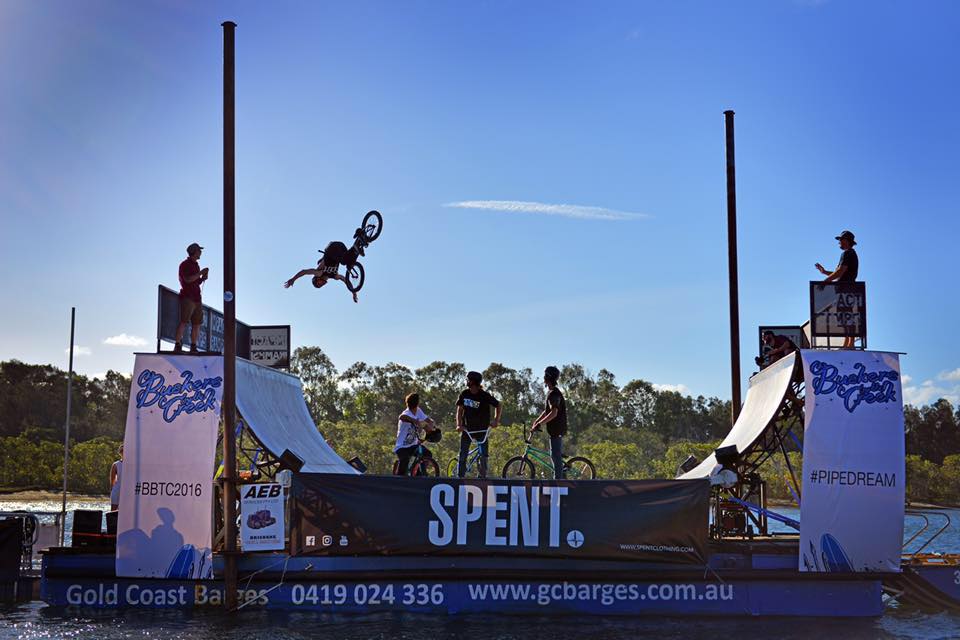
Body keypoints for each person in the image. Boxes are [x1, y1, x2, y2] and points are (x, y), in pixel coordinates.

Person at [815, 229, 860, 348]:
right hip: (845, 289)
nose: (839, 242)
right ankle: (847, 342)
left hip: (846, 289)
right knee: (844, 316)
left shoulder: (848, 253)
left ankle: (850, 343)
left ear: (847, 241)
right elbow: (840, 273)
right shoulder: (849, 254)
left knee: (846, 315)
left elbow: (841, 272)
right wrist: (825, 273)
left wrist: (825, 282)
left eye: (841, 240)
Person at [456, 371, 501, 478]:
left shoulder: (484, 395)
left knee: (484, 455)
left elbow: (498, 405)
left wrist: (496, 420)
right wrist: (459, 424)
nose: (466, 381)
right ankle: (459, 478)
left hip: (482, 431)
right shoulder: (464, 394)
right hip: (468, 430)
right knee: (463, 454)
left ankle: (482, 478)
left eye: (468, 380)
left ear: (473, 381)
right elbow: (459, 410)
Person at [283, 240, 359, 303]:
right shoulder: (333, 276)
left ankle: (356, 247)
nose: (322, 283)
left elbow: (304, 272)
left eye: (319, 283)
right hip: (340, 248)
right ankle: (359, 241)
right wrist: (354, 292)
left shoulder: (319, 272)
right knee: (350, 262)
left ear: (317, 278)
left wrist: (293, 279)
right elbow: (345, 280)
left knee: (343, 261)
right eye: (321, 285)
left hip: (332, 248)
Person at [531, 366, 567, 479]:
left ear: (548, 377)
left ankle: (558, 481)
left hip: (557, 429)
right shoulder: (551, 393)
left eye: (545, 375)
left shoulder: (554, 394)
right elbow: (547, 411)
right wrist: (537, 420)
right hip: (553, 430)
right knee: (554, 456)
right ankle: (558, 475)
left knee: (555, 457)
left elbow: (554, 413)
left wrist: (540, 424)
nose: (543, 377)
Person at [174, 243, 209, 353]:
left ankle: (193, 346)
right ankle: (177, 344)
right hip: (188, 297)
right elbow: (187, 280)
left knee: (197, 323)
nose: (200, 253)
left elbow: (195, 282)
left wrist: (202, 278)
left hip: (197, 298)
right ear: (194, 252)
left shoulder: (195, 265)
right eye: (199, 251)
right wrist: (200, 273)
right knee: (184, 321)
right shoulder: (184, 265)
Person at [394, 393, 437, 476]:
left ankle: (419, 470)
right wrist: (414, 421)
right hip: (402, 447)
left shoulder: (418, 411)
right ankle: (398, 479)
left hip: (413, 445)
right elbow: (401, 417)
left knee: (428, 454)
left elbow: (428, 420)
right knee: (405, 460)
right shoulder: (406, 413)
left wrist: (432, 425)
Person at [110, 445, 123, 511]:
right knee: (113, 512)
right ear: (120, 453)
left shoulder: (133, 464)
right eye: (122, 451)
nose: (123, 452)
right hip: (117, 490)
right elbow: (112, 480)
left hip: (129, 491)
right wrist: (112, 490)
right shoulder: (116, 464)